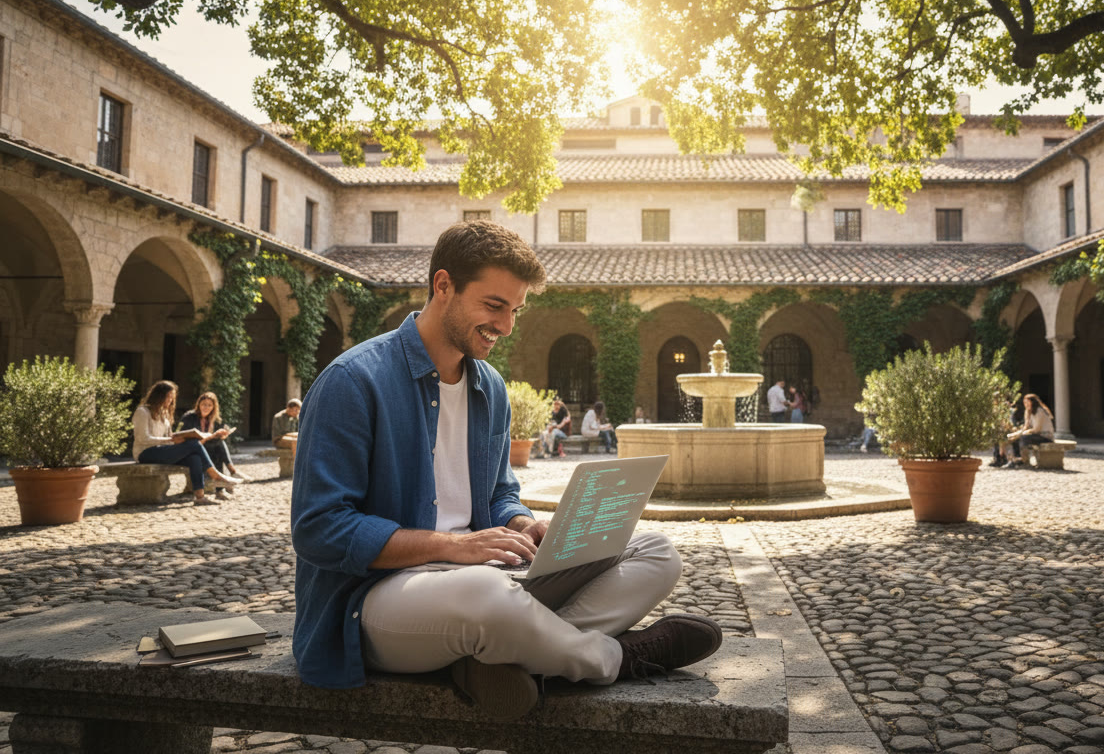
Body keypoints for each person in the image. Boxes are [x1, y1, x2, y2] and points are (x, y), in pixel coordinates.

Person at [290, 220, 722, 721]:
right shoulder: (352, 380)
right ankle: (616, 658)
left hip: (488, 579)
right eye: (495, 306)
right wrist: (453, 547)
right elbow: (320, 530)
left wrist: (523, 525)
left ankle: (501, 657)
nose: (507, 326)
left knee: (656, 552)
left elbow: (498, 493)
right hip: (375, 603)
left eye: (515, 310)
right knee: (486, 595)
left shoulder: (489, 387)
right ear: (443, 285)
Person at [133, 380, 242, 506]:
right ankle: (216, 476)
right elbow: (143, 439)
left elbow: (169, 437)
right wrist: (171, 440)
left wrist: (179, 439)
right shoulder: (142, 411)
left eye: (172, 398)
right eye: (168, 397)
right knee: (195, 444)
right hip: (145, 453)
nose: (170, 400)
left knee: (194, 458)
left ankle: (200, 497)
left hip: (161, 451)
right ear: (158, 396)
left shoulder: (164, 414)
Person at [179, 391, 248, 482]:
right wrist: (210, 437)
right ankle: (232, 471)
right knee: (218, 445)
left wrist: (222, 435)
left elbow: (215, 438)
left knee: (218, 446)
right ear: (199, 404)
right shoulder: (189, 417)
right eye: (204, 404)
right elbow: (180, 435)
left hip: (206, 448)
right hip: (191, 448)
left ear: (213, 407)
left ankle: (221, 488)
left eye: (209, 405)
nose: (206, 407)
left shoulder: (215, 419)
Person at [1003, 393, 1055, 467]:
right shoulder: (1028, 412)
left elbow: (1037, 429)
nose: (1025, 404)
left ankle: (1025, 461)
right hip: (1036, 434)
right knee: (1014, 439)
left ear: (1033, 402)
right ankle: (1015, 460)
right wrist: (1015, 434)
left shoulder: (1039, 411)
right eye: (1025, 402)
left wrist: (1023, 433)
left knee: (1023, 438)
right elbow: (1026, 427)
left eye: (1027, 402)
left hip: (1045, 436)